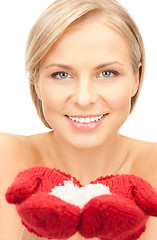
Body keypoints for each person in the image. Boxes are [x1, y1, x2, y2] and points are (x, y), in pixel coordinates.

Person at [0, 0, 157, 239]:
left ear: (137, 77)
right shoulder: (5, 157)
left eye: (107, 73)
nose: (84, 99)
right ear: (36, 82)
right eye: (61, 74)